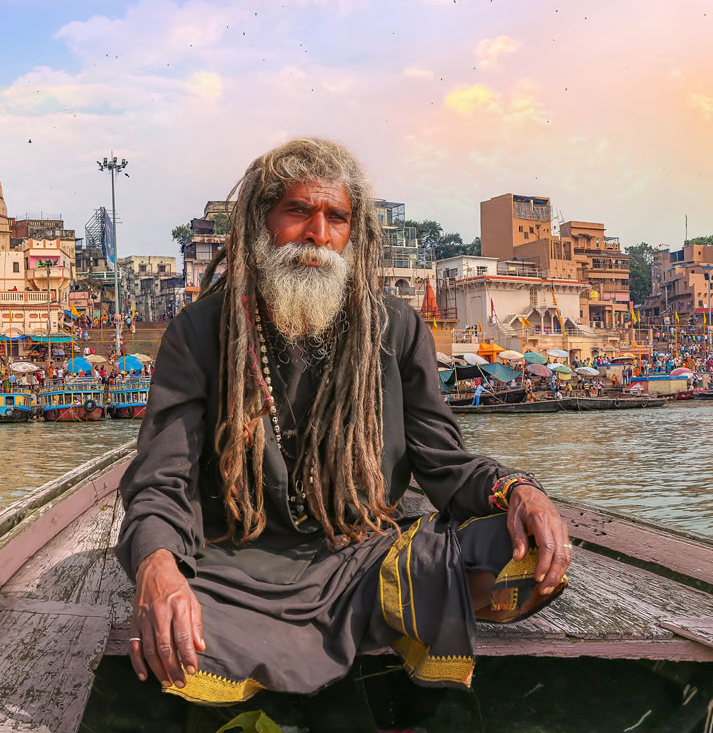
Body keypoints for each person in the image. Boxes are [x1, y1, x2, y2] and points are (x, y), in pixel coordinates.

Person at [119, 138, 570, 713]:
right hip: (237, 569)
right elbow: (162, 479)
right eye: (298, 212)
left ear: (353, 235)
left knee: (532, 556)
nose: (317, 234)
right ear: (261, 223)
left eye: (336, 218)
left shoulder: (396, 327)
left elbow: (445, 464)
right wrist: (158, 567)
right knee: (178, 630)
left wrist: (520, 490)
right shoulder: (200, 330)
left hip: (364, 553)